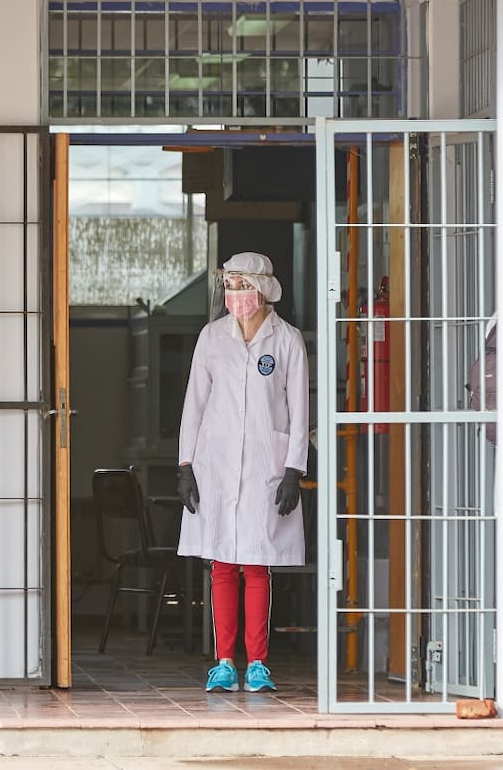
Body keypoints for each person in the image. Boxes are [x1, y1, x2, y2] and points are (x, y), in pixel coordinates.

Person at [176, 252, 309, 693]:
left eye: (243, 287)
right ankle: (224, 661)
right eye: (230, 287)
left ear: (264, 289)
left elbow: (297, 409)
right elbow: (194, 403)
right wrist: (185, 465)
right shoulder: (212, 338)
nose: (235, 296)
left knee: (256, 565)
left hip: (264, 468)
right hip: (214, 465)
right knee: (222, 565)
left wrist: (293, 470)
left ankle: (257, 662)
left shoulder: (286, 340)